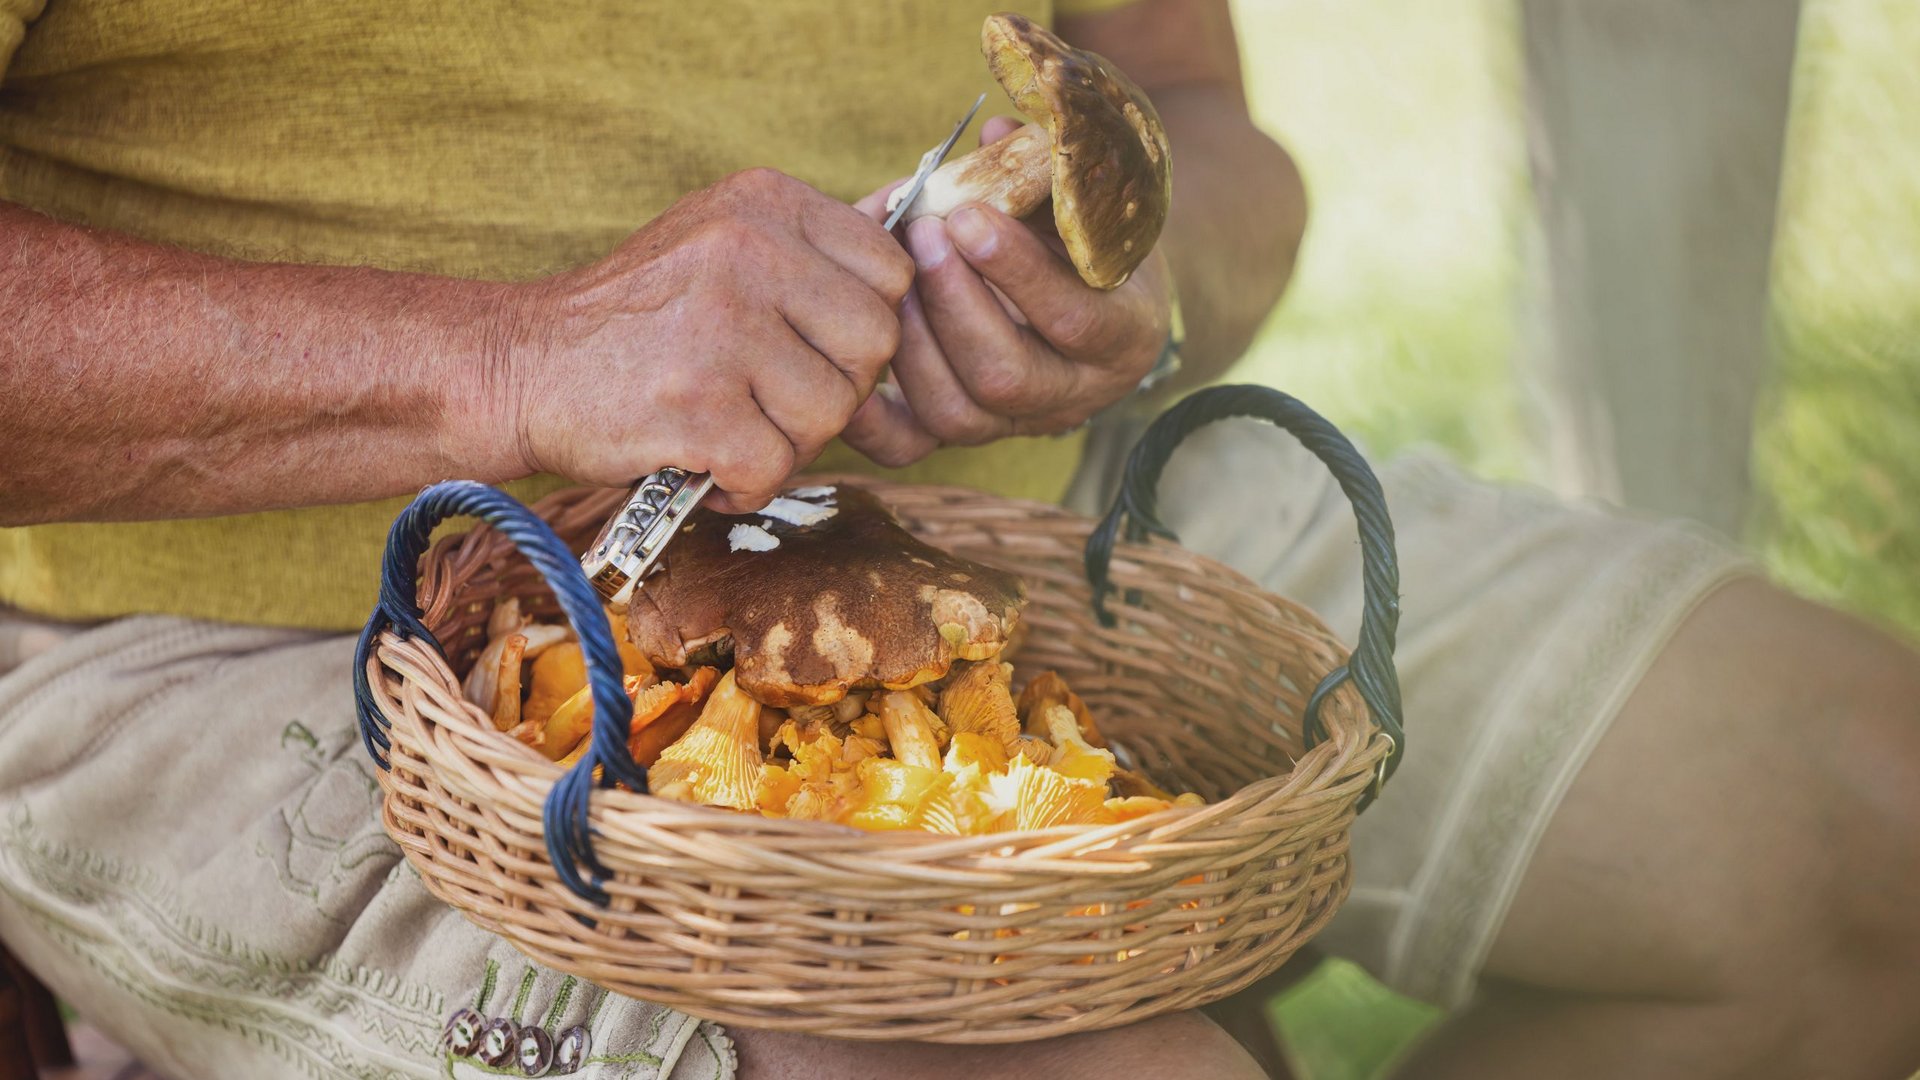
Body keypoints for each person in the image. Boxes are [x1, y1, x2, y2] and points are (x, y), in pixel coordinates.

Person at [0, 0, 1915, 1076]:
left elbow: (1204, 134)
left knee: (1875, 831)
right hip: (294, 636)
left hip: (1031, 533)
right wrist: (514, 362)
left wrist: (1141, 301)